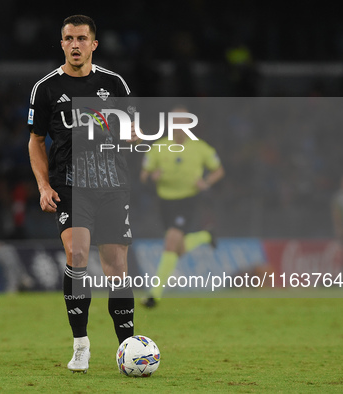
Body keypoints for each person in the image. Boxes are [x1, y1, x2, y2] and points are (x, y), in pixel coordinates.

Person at [28, 15, 136, 373]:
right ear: (62, 44)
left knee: (116, 267)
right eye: (69, 38)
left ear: (94, 44)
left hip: (111, 186)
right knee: (77, 253)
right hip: (71, 185)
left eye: (82, 38)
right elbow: (36, 141)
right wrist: (44, 185)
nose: (75, 44)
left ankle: (128, 348)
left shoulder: (114, 84)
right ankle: (81, 345)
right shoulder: (45, 88)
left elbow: (131, 131)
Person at [140, 112, 224, 307]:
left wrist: (206, 182)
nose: (179, 126)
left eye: (183, 123)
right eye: (175, 123)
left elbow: (218, 170)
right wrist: (152, 175)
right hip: (165, 203)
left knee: (170, 243)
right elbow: (144, 174)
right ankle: (205, 236)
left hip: (187, 201)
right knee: (177, 248)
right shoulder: (159, 146)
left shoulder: (200, 147)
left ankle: (154, 294)